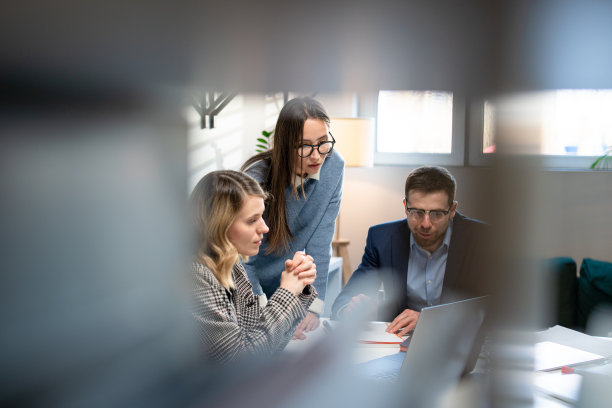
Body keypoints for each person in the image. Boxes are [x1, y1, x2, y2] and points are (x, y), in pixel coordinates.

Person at [331, 165, 489, 335]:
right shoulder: (382, 239)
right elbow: (342, 303)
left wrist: (429, 321)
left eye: (437, 214)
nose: (426, 224)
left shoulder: (482, 239)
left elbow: (501, 309)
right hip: (400, 342)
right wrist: (352, 310)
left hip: (458, 340)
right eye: (417, 212)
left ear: (452, 210)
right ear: (405, 206)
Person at [241, 96, 344, 338]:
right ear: (285, 146)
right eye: (304, 146)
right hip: (253, 290)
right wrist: (266, 315)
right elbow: (244, 261)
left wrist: (313, 308)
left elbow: (321, 239)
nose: (317, 156)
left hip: (294, 287)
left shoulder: (334, 165)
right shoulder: (255, 179)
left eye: (323, 142)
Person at [191, 170, 318, 364]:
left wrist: (299, 286)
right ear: (219, 225)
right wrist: (288, 291)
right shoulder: (195, 276)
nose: (265, 228)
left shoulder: (233, 268)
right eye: (252, 220)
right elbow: (240, 362)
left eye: (261, 216)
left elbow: (266, 347)